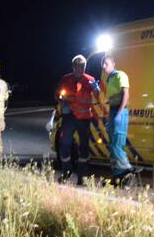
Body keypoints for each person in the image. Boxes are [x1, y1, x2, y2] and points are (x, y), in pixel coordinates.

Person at [56, 54, 101, 184]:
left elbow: (98, 96)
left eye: (83, 66)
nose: (81, 69)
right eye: (78, 66)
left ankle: (82, 176)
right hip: (69, 116)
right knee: (65, 144)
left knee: (84, 147)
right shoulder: (66, 79)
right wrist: (60, 99)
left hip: (84, 118)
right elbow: (58, 93)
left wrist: (96, 89)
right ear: (73, 66)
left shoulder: (90, 79)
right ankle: (67, 172)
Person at [102, 54, 135, 177]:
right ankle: (117, 173)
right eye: (103, 64)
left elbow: (126, 94)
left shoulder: (120, 75)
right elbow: (114, 96)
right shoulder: (109, 78)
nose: (104, 66)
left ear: (113, 63)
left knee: (117, 144)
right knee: (112, 144)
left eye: (107, 64)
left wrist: (119, 113)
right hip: (113, 111)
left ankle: (127, 169)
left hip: (120, 111)